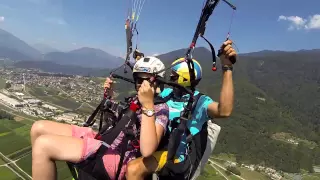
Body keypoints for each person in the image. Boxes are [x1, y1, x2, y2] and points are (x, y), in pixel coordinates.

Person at [30, 56, 170, 180]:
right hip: (106, 140)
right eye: (138, 79)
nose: (141, 84)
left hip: (118, 157)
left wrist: (148, 105)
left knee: (43, 145)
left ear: (157, 82)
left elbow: (147, 151)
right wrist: (109, 97)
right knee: (38, 128)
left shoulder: (160, 108)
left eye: (146, 80)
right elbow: (119, 121)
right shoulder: (136, 99)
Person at [123, 39, 237, 180]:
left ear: (184, 79)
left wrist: (227, 68)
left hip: (173, 155)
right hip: (156, 143)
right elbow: (149, 88)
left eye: (174, 75)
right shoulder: (168, 94)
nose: (170, 77)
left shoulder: (199, 103)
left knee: (134, 169)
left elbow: (224, 111)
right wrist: (140, 61)